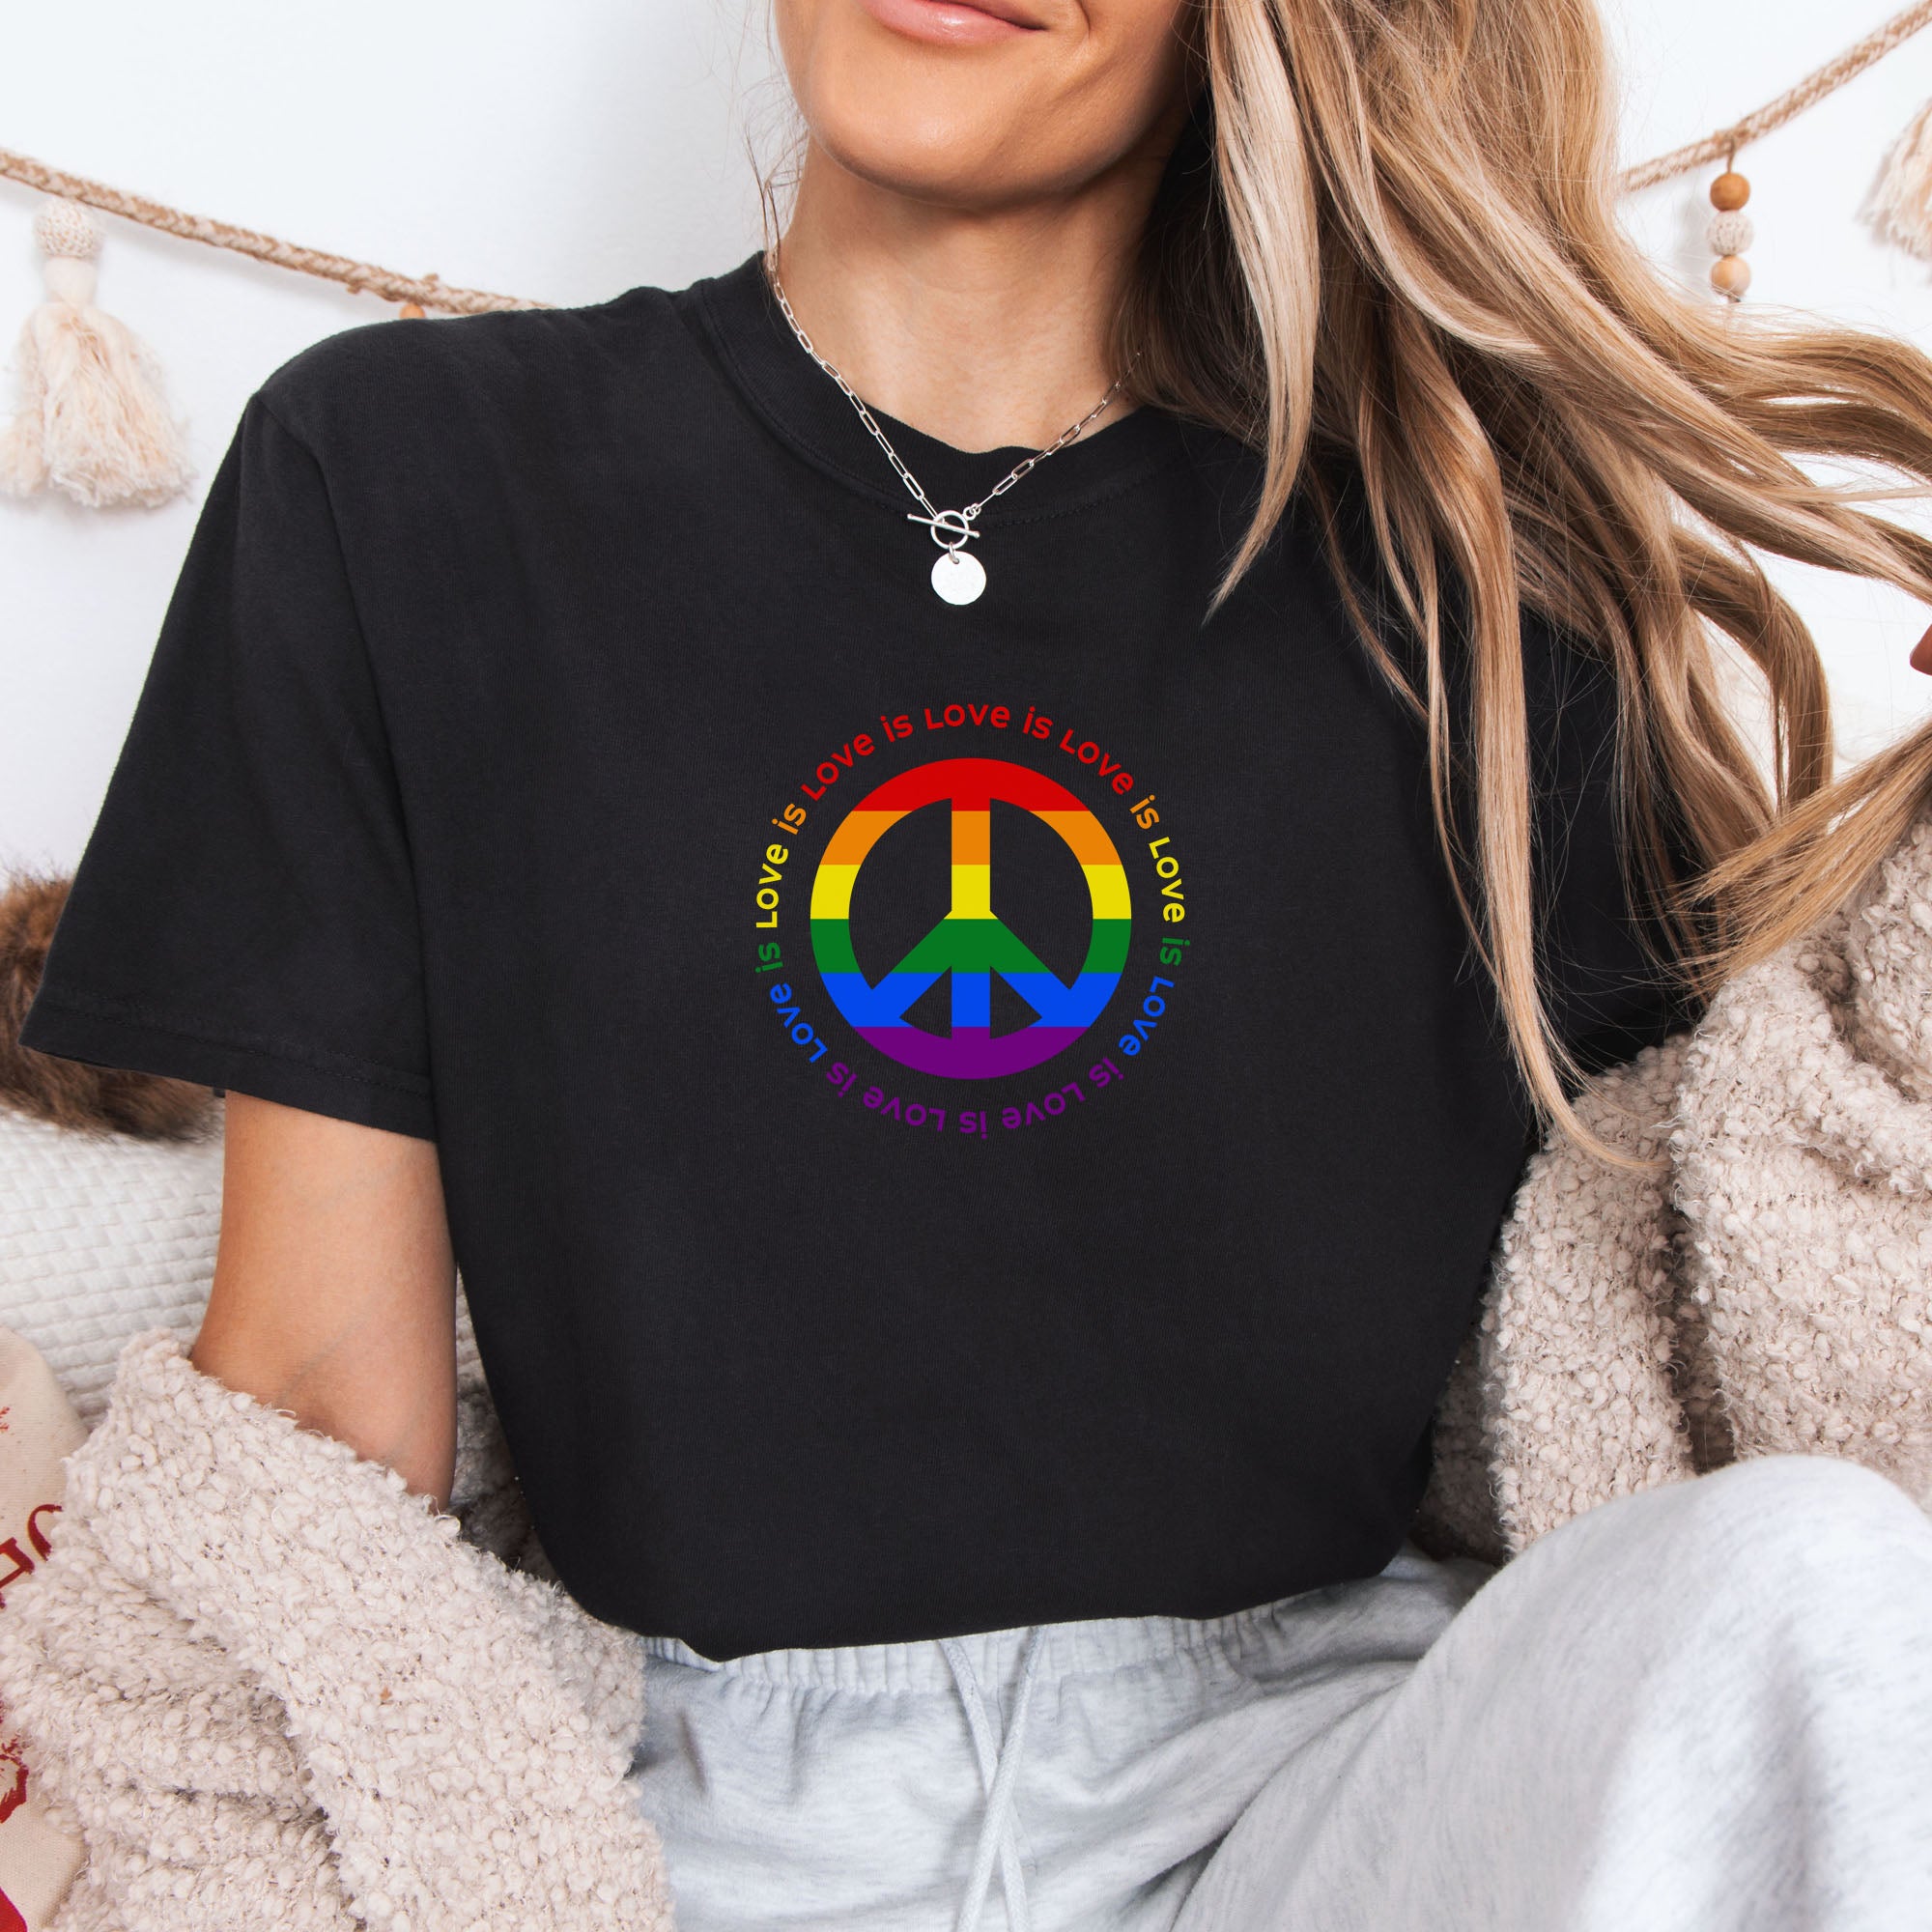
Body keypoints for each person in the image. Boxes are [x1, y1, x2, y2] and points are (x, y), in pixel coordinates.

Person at [17, 0, 1932, 1925]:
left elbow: (1683, 1316)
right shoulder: (405, 479)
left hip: (1327, 1805)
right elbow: (321, 1434)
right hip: (691, 1830)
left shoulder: (1476, 577)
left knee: (1816, 1575)